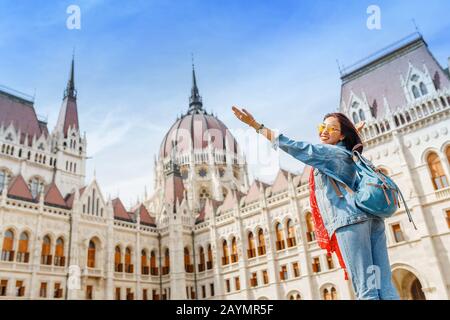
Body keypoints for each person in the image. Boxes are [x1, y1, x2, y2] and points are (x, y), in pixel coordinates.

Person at [231, 106, 400, 300]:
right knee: (383, 286)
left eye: (331, 128)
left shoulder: (328, 154)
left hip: (351, 221)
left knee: (366, 290)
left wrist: (256, 125)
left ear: (343, 135)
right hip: (373, 220)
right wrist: (352, 132)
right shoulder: (350, 153)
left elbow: (296, 147)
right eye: (322, 127)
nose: (324, 132)